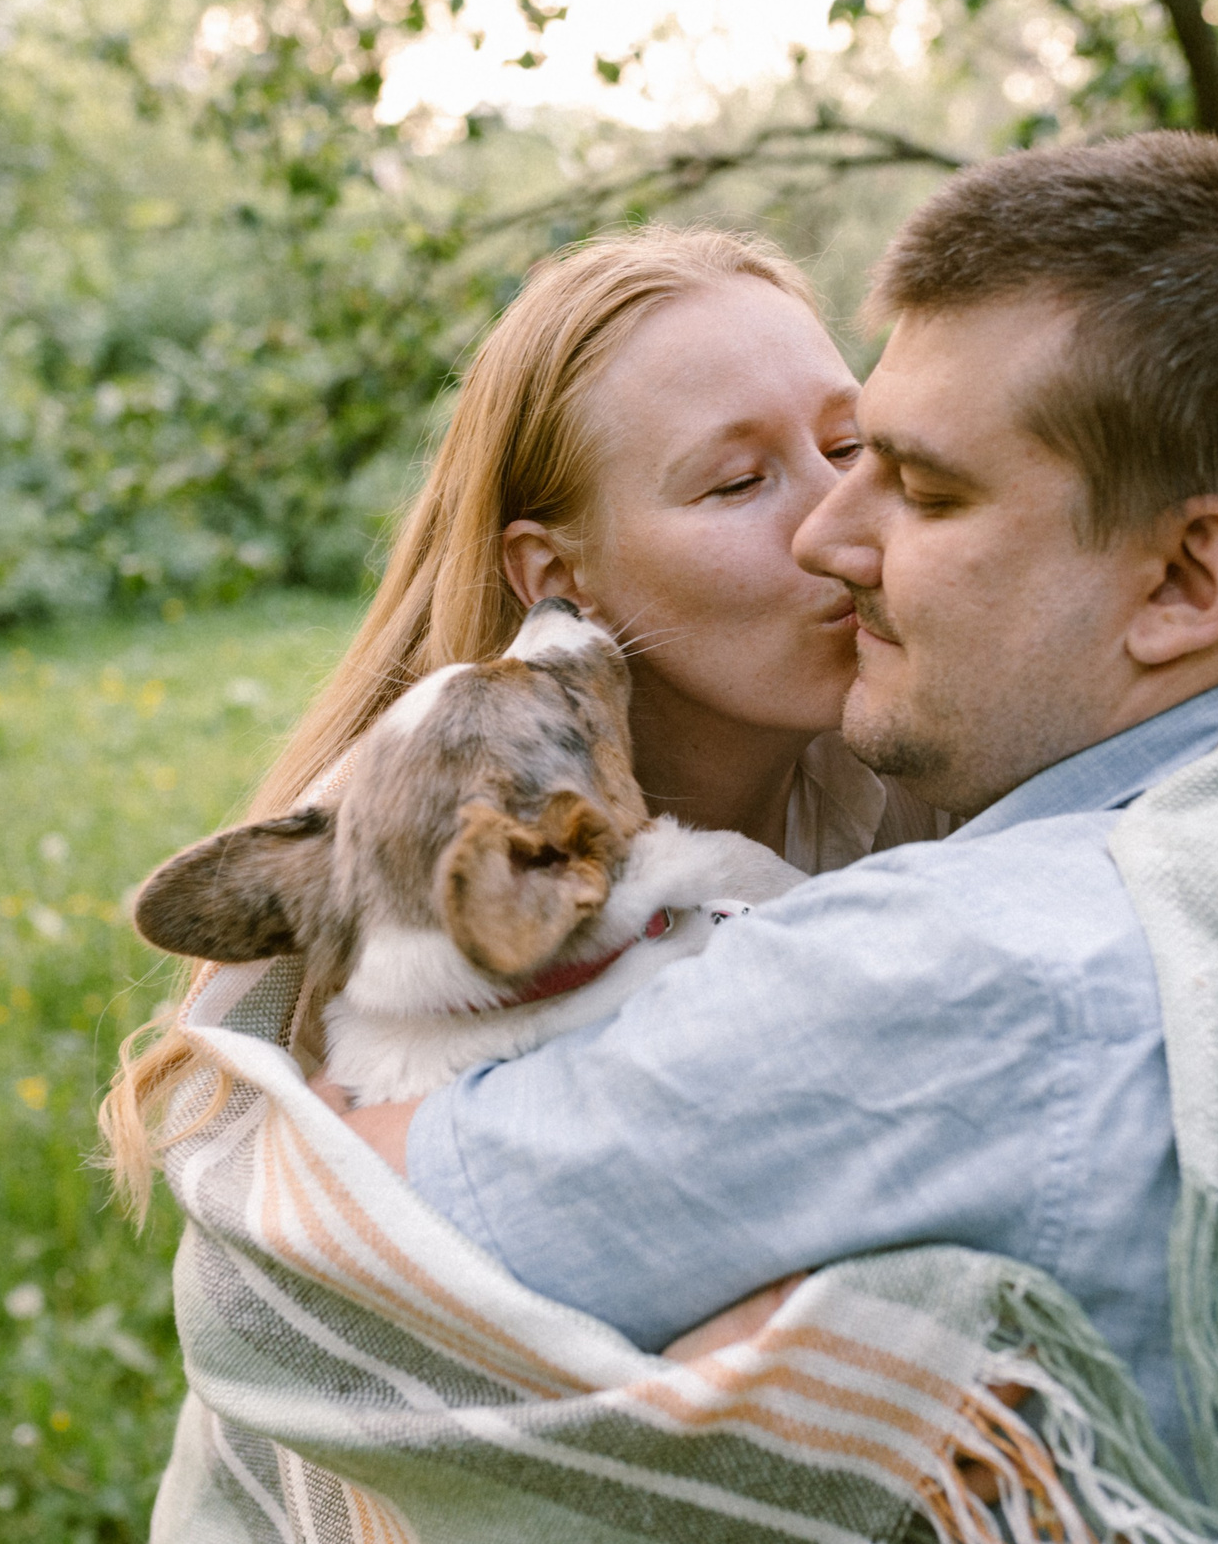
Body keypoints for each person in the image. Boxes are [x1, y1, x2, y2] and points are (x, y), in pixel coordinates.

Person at [326, 133, 1218, 1538]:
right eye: (741, 482)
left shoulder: (957, 957)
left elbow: (343, 1245)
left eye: (906, 479)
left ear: (1187, 575)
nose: (827, 534)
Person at [98, 224, 947, 1225]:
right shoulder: (401, 886)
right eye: (736, 483)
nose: (843, 516)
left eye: (852, 446)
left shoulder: (947, 758)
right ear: (556, 576)